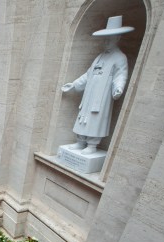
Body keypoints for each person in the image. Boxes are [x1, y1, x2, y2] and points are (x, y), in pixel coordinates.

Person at [61, 16, 134, 154]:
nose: (106, 42)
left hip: (102, 97)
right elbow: (88, 74)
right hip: (89, 95)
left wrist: (118, 87)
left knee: (96, 119)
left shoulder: (120, 57)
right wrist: (74, 84)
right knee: (83, 116)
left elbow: (121, 75)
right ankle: (80, 141)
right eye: (104, 39)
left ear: (117, 38)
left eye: (109, 39)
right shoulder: (100, 56)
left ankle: (92, 144)